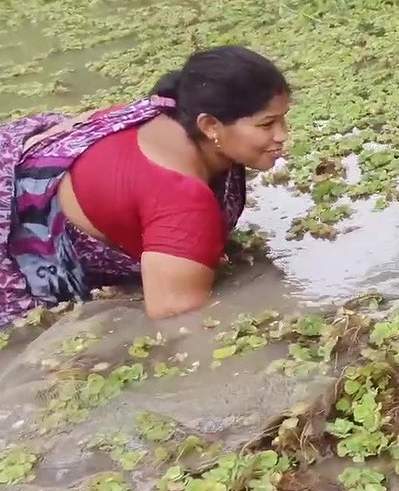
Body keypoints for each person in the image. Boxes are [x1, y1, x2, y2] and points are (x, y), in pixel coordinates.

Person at [0, 45, 290, 327]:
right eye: (267, 125)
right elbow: (174, 317)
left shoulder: (163, 114)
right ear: (210, 126)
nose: (282, 135)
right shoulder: (182, 201)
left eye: (283, 119)